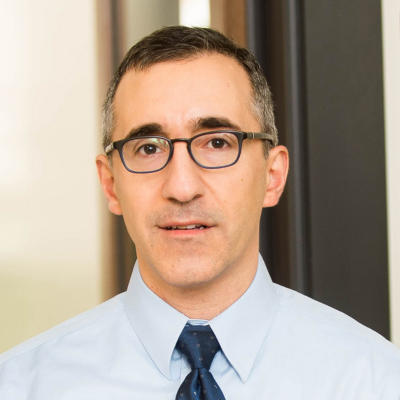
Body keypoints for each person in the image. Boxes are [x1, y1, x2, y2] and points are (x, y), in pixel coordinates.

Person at [0, 26, 399, 399]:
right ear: (110, 184)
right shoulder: (21, 386)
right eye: (149, 148)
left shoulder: (375, 380)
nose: (181, 187)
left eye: (217, 143)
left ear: (272, 176)